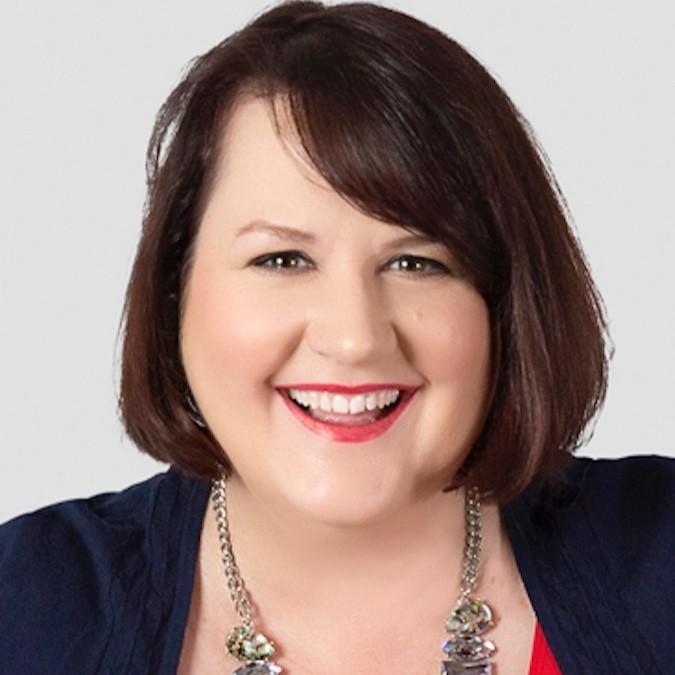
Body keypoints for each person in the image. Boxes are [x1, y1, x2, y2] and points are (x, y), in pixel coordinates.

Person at [0, 2, 672, 674]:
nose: (354, 339)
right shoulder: (23, 606)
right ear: (176, 289)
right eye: (282, 259)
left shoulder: (658, 556)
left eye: (416, 263)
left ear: (504, 304)